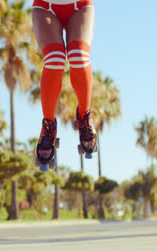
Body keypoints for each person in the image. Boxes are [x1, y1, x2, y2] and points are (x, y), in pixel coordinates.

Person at [32, 0, 98, 165]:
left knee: (79, 55)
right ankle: (48, 126)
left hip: (79, 5)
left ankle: (84, 115)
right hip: (45, 6)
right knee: (54, 59)